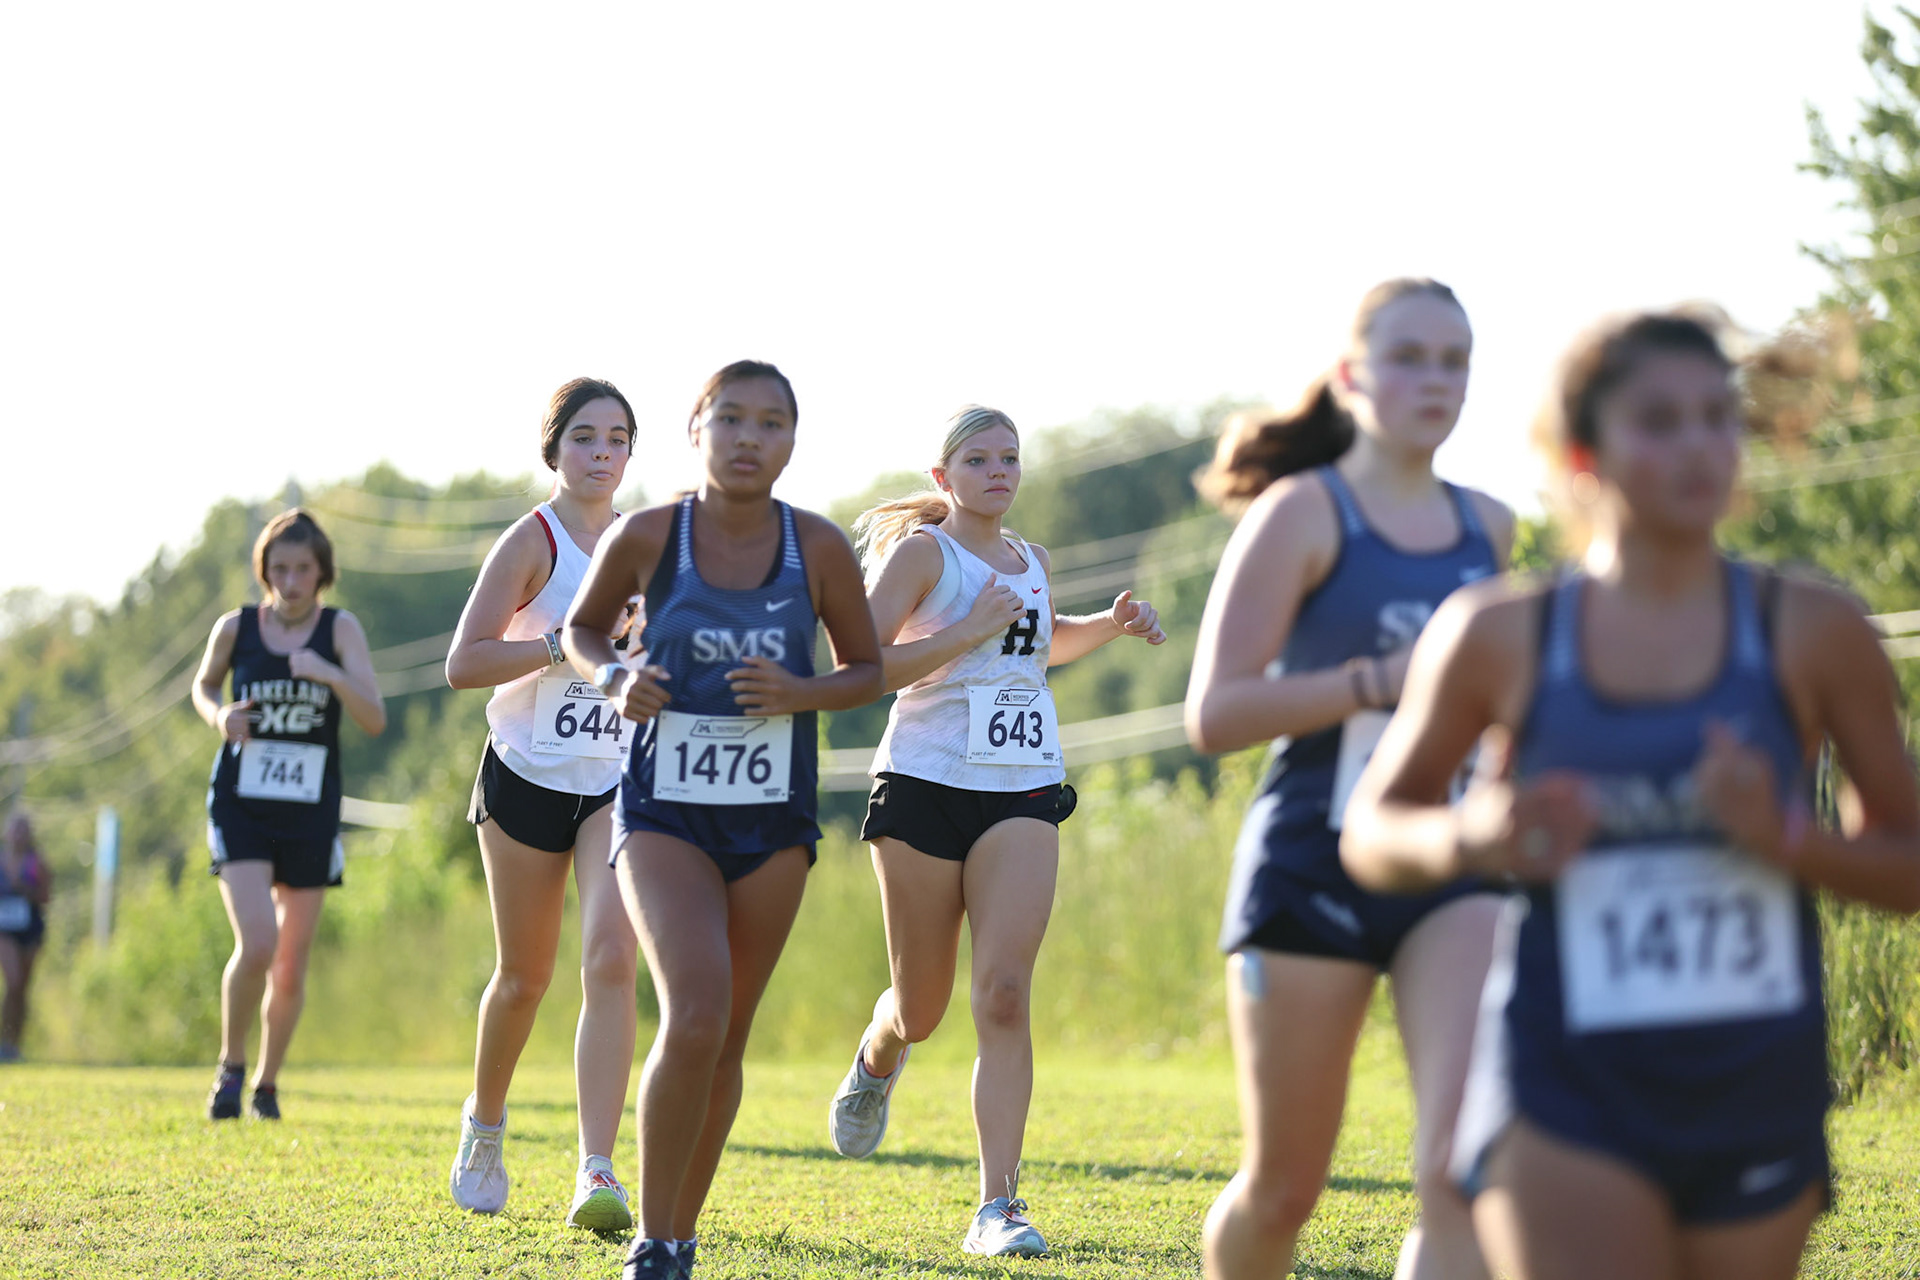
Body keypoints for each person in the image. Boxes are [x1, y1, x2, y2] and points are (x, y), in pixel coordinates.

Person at [1340, 311, 1920, 1280]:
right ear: (1584, 452)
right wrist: (1478, 833)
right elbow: (1372, 829)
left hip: (1754, 1082)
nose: (1699, 446)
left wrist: (1788, 837)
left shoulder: (1816, 629)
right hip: (1566, 1085)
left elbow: (1907, 863)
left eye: (1715, 417)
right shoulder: (1496, 633)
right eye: (1659, 420)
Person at [1184, 278, 1514, 1280]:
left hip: (1445, 860)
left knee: (1463, 1166)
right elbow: (1215, 713)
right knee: (1286, 1185)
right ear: (1351, 375)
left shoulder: (1490, 525)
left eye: (1454, 359)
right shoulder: (1302, 513)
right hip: (1310, 864)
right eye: (1410, 356)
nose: (1436, 379)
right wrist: (1376, 680)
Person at [562, 359, 882, 1280]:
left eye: (772, 423)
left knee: (729, 1033)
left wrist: (800, 690)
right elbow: (584, 634)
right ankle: (654, 1244)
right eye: (731, 418)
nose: (751, 438)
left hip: (772, 820)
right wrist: (615, 677)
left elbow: (866, 671)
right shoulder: (650, 535)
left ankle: (683, 1230)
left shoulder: (815, 547)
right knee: (693, 1010)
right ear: (696, 427)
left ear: (791, 440)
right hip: (664, 813)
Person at [826, 405, 1167, 1257]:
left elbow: (1039, 648)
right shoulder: (923, 555)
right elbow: (858, 669)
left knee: (1005, 993)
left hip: (1022, 787)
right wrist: (962, 633)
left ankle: (998, 1206)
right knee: (925, 1005)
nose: (999, 471)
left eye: (1010, 457)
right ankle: (879, 1051)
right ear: (945, 478)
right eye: (979, 459)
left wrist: (1111, 627)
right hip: (922, 786)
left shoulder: (1034, 562)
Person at [444, 377, 642, 1228]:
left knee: (611, 959)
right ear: (554, 448)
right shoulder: (535, 541)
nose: (603, 454)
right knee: (525, 978)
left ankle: (596, 1169)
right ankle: (485, 1124)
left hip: (614, 779)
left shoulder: (648, 545)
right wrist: (557, 644)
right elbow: (464, 662)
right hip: (525, 772)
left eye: (618, 439)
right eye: (586, 438)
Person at [193, 508, 387, 1120]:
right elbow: (202, 686)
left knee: (291, 960)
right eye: (280, 569)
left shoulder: (340, 629)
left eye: (303, 569)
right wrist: (220, 717)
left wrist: (328, 673)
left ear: (321, 572)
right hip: (242, 805)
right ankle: (230, 1067)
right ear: (264, 572)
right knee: (258, 942)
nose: (291, 581)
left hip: (309, 811)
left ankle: (268, 1085)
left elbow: (373, 718)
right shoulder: (236, 627)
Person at [0, 811, 52, 1063]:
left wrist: (25, 891)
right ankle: (4, 1039)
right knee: (13, 981)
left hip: (29, 930)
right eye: (15, 828)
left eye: (24, 829)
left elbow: (46, 897)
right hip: (4, 930)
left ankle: (14, 1044)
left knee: (22, 990)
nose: (19, 834)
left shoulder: (36, 863)